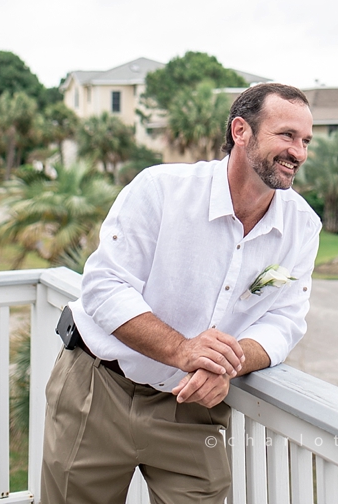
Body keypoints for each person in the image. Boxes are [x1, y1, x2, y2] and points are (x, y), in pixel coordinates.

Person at [41, 82, 321, 504]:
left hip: (191, 407)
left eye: (305, 141)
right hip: (98, 390)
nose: (298, 152)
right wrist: (183, 351)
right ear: (241, 130)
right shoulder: (160, 188)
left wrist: (227, 361)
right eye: (286, 135)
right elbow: (104, 287)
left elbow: (285, 320)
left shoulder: (303, 226)